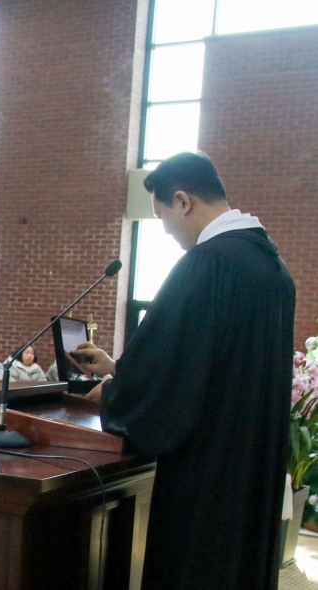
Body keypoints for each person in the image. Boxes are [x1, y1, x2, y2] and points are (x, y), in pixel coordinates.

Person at [72, 152, 295, 590]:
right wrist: (119, 368)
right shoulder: (272, 268)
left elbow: (173, 386)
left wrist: (114, 392)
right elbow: (211, 366)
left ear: (183, 201)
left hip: (210, 473)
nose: (166, 231)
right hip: (251, 466)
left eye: (161, 217)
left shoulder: (208, 264)